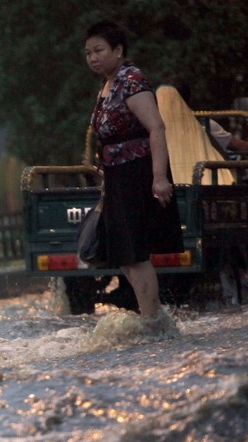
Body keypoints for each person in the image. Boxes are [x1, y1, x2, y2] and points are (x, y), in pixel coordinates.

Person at [84, 20, 183, 323]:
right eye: (88, 53)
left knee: (135, 254)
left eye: (99, 50)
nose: (92, 57)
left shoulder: (131, 79)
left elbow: (156, 128)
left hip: (137, 172)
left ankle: (153, 321)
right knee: (125, 257)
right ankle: (151, 317)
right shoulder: (107, 84)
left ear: (118, 50)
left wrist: (160, 177)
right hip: (116, 175)